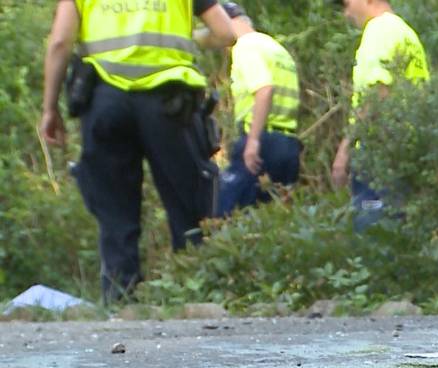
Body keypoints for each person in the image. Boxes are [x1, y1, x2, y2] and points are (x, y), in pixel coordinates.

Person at [39, 0, 236, 304]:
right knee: (189, 202)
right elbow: (225, 32)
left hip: (106, 99)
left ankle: (120, 300)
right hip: (170, 102)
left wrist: (50, 109)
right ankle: (198, 290)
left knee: (114, 208)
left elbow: (60, 42)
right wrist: (190, 37)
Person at [330, 0, 429, 232]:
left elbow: (378, 94)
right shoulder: (404, 32)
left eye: (346, 4)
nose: (347, 13)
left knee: (374, 236)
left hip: (380, 149)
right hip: (406, 144)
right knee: (401, 231)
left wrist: (345, 150)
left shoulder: (379, 30)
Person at [215, 1, 302, 217]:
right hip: (288, 144)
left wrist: (253, 140)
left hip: (262, 143)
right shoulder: (275, 48)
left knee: (226, 214)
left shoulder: (246, 46)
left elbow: (264, 89)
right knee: (275, 218)